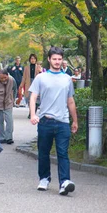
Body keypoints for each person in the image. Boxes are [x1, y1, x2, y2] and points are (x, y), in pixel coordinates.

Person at [29, 46, 78, 196]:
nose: (57, 62)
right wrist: (33, 114)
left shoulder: (67, 79)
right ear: (49, 59)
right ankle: (44, 178)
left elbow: (70, 101)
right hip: (45, 121)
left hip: (62, 121)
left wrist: (74, 120)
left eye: (59, 59)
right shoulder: (41, 78)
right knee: (43, 152)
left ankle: (64, 182)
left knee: (63, 152)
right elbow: (33, 97)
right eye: (54, 59)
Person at [0, 69, 17, 144]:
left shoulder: (12, 80)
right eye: (1, 78)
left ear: (7, 75)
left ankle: (9, 137)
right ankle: (2, 137)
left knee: (9, 121)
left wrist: (13, 99)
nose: (4, 79)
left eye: (5, 77)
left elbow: (15, 89)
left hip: (8, 103)